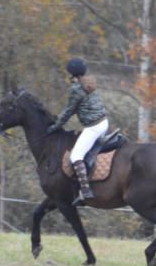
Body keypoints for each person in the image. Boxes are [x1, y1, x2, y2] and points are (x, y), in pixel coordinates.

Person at [46, 57, 109, 206]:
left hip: (93, 127)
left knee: (76, 156)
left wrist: (55, 127)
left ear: (71, 73)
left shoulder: (76, 89)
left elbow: (69, 111)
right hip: (103, 123)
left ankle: (85, 190)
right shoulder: (89, 83)